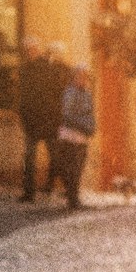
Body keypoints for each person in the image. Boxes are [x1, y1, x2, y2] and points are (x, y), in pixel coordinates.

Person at [54, 64, 96, 210]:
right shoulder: (69, 93)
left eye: (84, 76)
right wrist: (84, 125)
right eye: (79, 76)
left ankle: (74, 197)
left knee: (78, 169)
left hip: (82, 136)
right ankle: (72, 197)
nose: (82, 79)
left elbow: (90, 113)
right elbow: (67, 114)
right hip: (69, 135)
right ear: (74, 77)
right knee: (69, 168)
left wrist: (91, 127)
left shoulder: (87, 93)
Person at [38, 41, 71, 192]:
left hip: (57, 118)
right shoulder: (65, 71)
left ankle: (59, 184)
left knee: (56, 153)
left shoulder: (55, 72)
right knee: (56, 152)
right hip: (56, 118)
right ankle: (59, 185)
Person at [17, 36, 47, 202]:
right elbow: (22, 94)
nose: (30, 52)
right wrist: (23, 113)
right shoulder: (24, 69)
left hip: (46, 118)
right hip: (31, 119)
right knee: (29, 157)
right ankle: (29, 191)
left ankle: (66, 190)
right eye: (28, 50)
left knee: (56, 155)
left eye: (33, 49)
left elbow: (50, 93)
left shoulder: (44, 67)